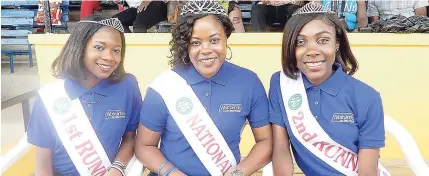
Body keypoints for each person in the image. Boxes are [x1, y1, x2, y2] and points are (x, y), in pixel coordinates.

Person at [135, 1, 272, 176]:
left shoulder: (249, 82)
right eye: (196, 43)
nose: (206, 50)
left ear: (226, 38)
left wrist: (238, 173)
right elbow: (145, 146)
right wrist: (172, 173)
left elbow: (265, 141)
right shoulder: (165, 86)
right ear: (186, 44)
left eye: (214, 40)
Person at [269, 2, 391, 176]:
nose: (312, 50)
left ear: (337, 44)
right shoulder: (281, 84)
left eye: (323, 40)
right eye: (300, 42)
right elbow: (281, 150)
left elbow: (367, 171)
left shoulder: (367, 97)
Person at [26, 15, 142, 176]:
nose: (109, 57)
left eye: (116, 50)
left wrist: (117, 168)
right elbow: (42, 163)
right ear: (80, 48)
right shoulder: (51, 97)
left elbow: (131, 137)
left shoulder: (127, 86)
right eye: (99, 47)